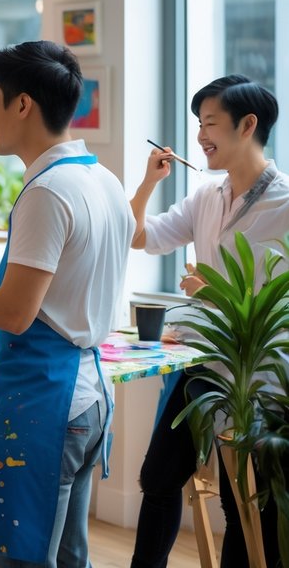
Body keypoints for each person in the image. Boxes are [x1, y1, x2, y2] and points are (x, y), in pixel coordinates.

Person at [0, 40, 135, 567]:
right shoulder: (101, 180)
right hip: (87, 395)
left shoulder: (47, 192)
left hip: (47, 401)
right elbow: (36, 296)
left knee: (26, 559)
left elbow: (15, 314)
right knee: (67, 556)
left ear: (23, 105)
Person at [129, 74, 286, 568]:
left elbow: (270, 304)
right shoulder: (206, 196)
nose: (200, 135)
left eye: (211, 123)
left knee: (241, 500)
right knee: (157, 477)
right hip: (202, 362)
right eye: (199, 123)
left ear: (248, 125)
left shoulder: (283, 203)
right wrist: (149, 182)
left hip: (255, 376)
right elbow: (140, 237)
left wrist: (208, 291)